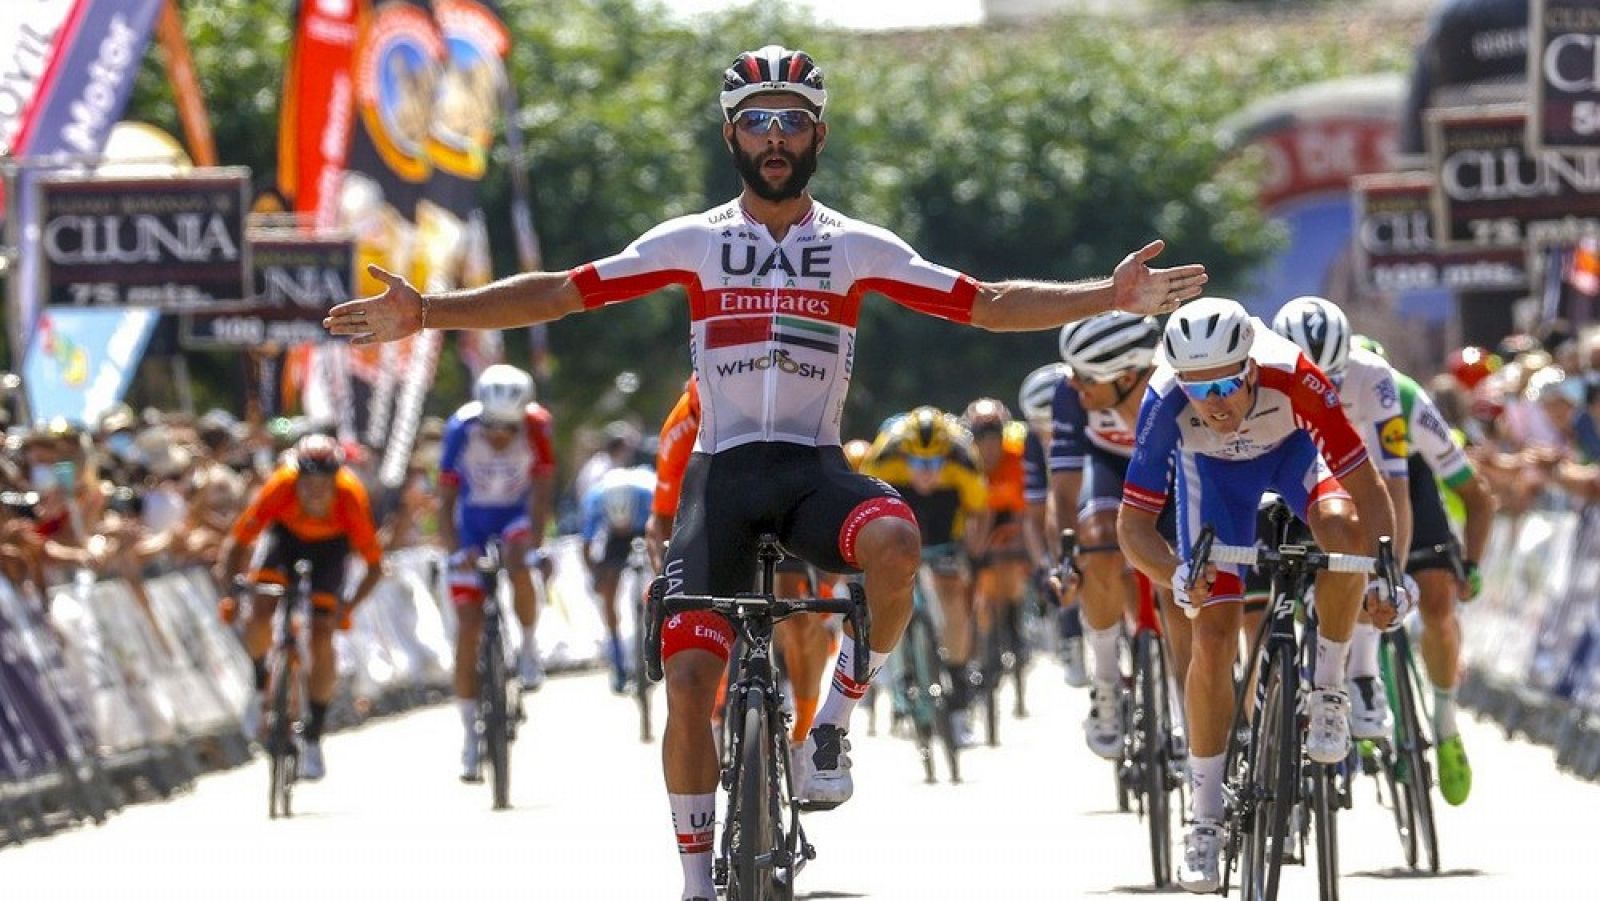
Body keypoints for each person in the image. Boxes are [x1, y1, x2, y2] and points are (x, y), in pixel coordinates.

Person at [326, 44, 1206, 901]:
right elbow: (560, 290)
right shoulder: (694, 242)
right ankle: (695, 880)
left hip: (815, 472)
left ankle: (830, 725)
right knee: (690, 683)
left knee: (895, 539)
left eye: (793, 122)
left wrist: (1109, 295)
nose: (775, 137)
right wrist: (429, 311)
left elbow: (988, 303)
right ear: (731, 138)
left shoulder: (857, 246)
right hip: (723, 479)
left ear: (820, 137)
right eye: (757, 123)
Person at [1116, 298, 1404, 893]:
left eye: (1225, 383)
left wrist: (1383, 574)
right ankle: (1204, 819)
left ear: (1250, 368)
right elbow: (1132, 528)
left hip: (1293, 459)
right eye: (1199, 390)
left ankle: (1327, 688)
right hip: (1213, 483)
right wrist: (1175, 575)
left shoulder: (1295, 375)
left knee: (1344, 532)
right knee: (1214, 636)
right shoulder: (1164, 398)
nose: (1214, 402)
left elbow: (1367, 487)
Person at [646, 374, 835, 745]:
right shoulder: (682, 427)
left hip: (779, 507)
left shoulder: (779, 409)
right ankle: (715, 711)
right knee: (700, 607)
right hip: (715, 518)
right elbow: (663, 517)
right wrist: (665, 573)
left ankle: (803, 734)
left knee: (798, 613)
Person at [1355, 335, 1495, 806]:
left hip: (1410, 485)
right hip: (1348, 485)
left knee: (1437, 600)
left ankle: (1445, 721)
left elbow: (1477, 496)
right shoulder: (1322, 399)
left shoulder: (1409, 400)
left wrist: (1470, 565)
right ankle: (1359, 686)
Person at [1270, 296, 1414, 745]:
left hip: (1356, 476)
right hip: (1293, 476)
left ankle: (1363, 673)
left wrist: (1389, 575)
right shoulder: (1267, 373)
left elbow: (1395, 489)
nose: (1323, 393)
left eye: (1331, 380)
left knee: (1364, 558)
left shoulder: (1375, 378)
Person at [215, 435, 386, 782]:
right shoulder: (280, 485)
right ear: (298, 477)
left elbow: (374, 567)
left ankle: (313, 736)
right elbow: (237, 543)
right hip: (285, 540)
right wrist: (231, 593)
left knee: (322, 635)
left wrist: (347, 607)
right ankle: (262, 684)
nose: (315, 493)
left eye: (324, 485)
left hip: (331, 551)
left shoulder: (351, 496)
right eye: (308, 484)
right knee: (261, 608)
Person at [1048, 311, 1177, 759]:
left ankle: (1182, 691)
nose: (1074, 385)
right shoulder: (1069, 396)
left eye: (1084, 376)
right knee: (1099, 539)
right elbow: (1063, 488)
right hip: (1107, 467)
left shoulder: (1170, 385)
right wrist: (1067, 557)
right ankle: (1105, 680)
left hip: (1165, 465)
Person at [438, 364, 557, 782]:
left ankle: (526, 646)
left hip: (514, 516)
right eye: (492, 426)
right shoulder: (460, 428)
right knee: (468, 628)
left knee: (519, 561)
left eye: (509, 428)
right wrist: (455, 552)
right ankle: (470, 737)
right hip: (472, 522)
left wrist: (534, 545)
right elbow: (445, 500)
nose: (499, 436)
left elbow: (542, 491)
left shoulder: (539, 427)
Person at [864, 406, 990, 746]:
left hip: (944, 530)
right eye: (918, 464)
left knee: (952, 596)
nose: (926, 474)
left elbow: (978, 514)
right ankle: (898, 671)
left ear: (946, 455)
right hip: (899, 522)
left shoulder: (962, 458)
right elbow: (864, 513)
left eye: (934, 464)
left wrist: (973, 558)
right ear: (904, 454)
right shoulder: (884, 458)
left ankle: (959, 684)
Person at [960, 397, 1037, 724]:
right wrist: (972, 555)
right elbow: (967, 516)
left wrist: (1027, 553)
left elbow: (1027, 514)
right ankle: (977, 645)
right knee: (972, 578)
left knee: (1012, 571)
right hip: (980, 517)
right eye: (981, 441)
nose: (988, 449)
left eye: (993, 441)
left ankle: (1018, 620)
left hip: (1012, 519)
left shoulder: (1016, 458)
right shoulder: (965, 462)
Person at [581, 459, 657, 693]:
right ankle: (616, 657)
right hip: (614, 539)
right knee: (608, 587)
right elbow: (586, 545)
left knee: (661, 577)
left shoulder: (647, 493)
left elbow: (662, 532)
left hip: (645, 528)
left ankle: (657, 637)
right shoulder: (595, 500)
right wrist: (596, 575)